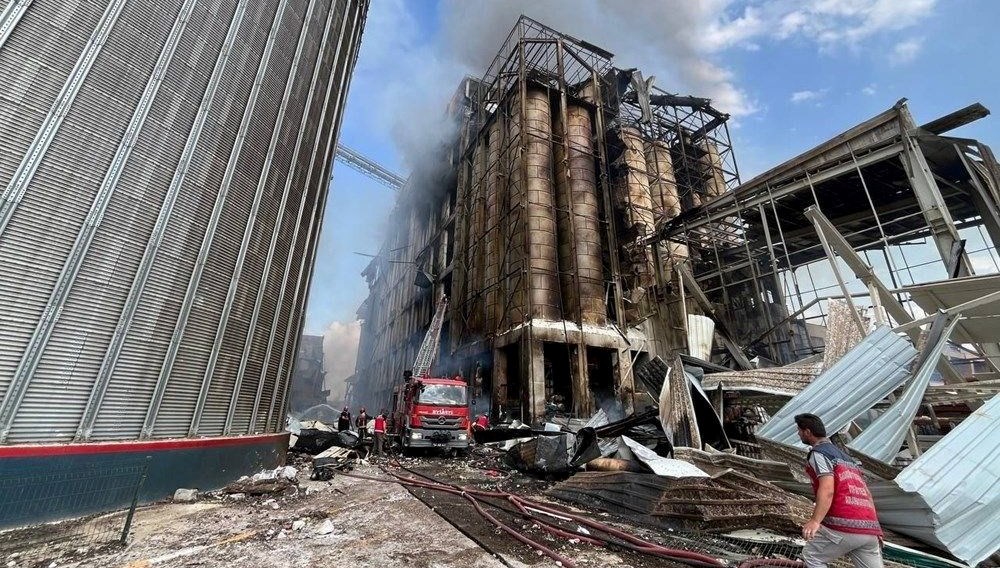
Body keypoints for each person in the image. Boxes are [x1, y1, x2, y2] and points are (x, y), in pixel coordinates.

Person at [795, 413, 883, 568]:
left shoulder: (819, 453)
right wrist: (876, 528)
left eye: (799, 431)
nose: (798, 434)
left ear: (807, 432)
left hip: (844, 524)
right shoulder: (847, 458)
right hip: (869, 529)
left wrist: (815, 521)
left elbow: (827, 488)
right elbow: (867, 493)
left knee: (812, 556)